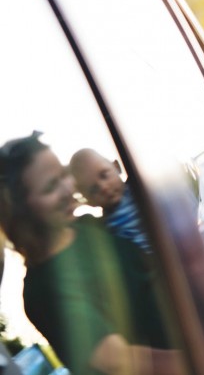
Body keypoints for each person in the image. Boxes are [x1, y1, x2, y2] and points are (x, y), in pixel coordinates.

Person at [0, 132, 182, 375]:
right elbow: (119, 360)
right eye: (51, 187)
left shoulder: (89, 226)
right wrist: (201, 357)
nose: (69, 188)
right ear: (22, 213)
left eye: (64, 175)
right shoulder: (42, 291)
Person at [69, 147, 152, 253]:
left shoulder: (139, 189)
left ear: (117, 167)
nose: (103, 188)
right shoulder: (103, 228)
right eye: (94, 189)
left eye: (104, 175)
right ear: (89, 201)